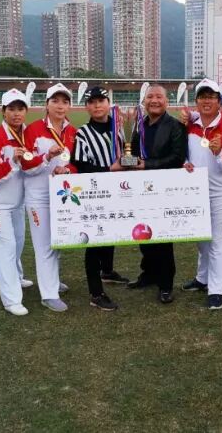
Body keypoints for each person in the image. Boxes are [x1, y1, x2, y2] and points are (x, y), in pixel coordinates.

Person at [180, 79, 222, 310]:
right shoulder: (190, 125)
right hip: (195, 192)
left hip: (220, 193)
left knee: (219, 243)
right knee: (202, 240)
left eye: (211, 97)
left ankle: (217, 290)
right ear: (197, 101)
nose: (206, 101)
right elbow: (183, 153)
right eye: (202, 97)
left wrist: (220, 154)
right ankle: (203, 278)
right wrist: (185, 163)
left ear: (219, 101)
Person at [119, 85, 187, 304]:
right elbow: (133, 154)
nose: (154, 100)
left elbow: (177, 158)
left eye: (159, 96)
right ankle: (148, 274)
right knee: (143, 234)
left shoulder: (175, 126)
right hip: (140, 190)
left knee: (163, 239)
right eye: (150, 97)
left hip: (164, 190)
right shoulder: (138, 126)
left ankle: (165, 284)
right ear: (144, 102)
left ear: (166, 101)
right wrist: (124, 162)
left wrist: (147, 165)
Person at [71, 86, 128, 311]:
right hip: (94, 192)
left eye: (101, 101)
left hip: (117, 190)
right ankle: (96, 293)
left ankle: (107, 271)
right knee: (95, 241)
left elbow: (126, 156)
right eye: (92, 102)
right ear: (87, 107)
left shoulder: (119, 129)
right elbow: (81, 166)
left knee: (111, 230)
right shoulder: (83, 133)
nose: (97, 105)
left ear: (108, 103)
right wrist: (109, 169)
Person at [22, 84, 76, 312]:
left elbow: (75, 163)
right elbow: (25, 165)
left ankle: (52, 280)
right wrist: (46, 156)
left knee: (57, 241)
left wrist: (67, 170)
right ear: (46, 104)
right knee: (43, 244)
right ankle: (48, 294)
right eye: (55, 101)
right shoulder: (33, 129)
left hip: (62, 195)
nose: (60, 106)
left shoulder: (72, 131)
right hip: (38, 196)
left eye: (64, 102)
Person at [0, 88, 35, 316]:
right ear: (3, 111)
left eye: (20, 108)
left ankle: (17, 276)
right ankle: (11, 299)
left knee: (18, 244)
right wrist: (14, 161)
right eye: (11, 109)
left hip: (18, 202)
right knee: (5, 249)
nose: (16, 113)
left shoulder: (28, 133)